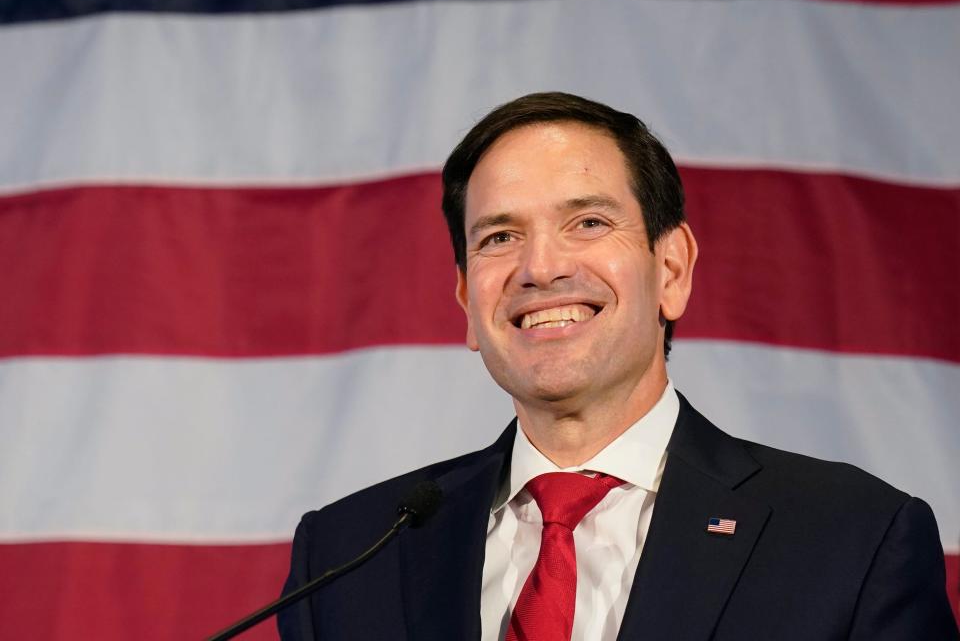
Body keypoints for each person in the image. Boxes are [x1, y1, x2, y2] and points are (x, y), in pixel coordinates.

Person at [279, 92, 958, 640]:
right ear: (466, 302)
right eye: (500, 237)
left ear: (672, 269)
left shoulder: (853, 539)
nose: (540, 268)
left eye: (589, 224)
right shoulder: (347, 555)